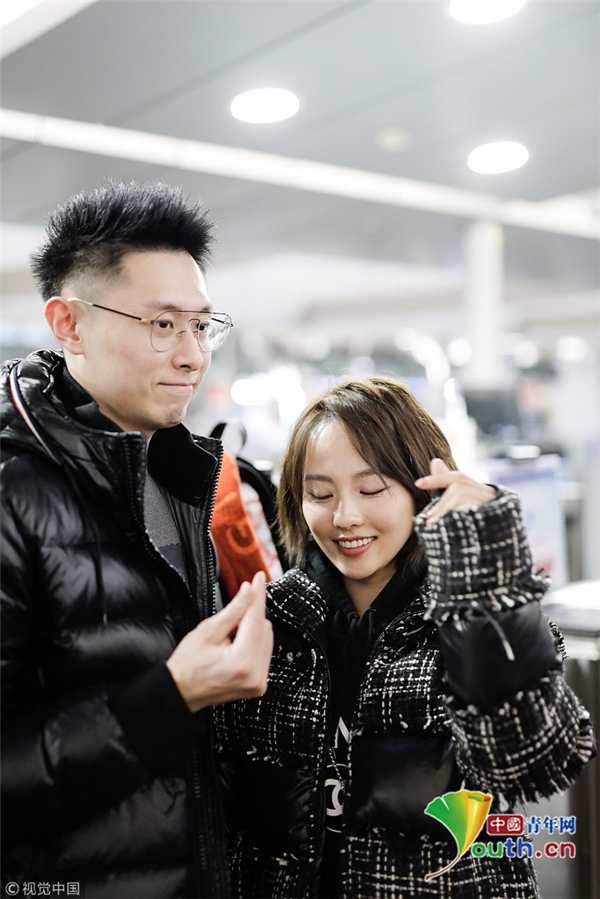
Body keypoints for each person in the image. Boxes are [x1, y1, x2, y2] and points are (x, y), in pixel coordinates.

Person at [214, 375, 595, 899]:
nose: (345, 517)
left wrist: (486, 576)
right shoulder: (265, 620)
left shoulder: (469, 619)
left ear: (424, 489)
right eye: (320, 494)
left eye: (372, 489)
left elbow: (534, 764)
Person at [1, 180, 273, 898]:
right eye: (162, 325)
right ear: (69, 324)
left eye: (202, 327)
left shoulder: (189, 475)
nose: (192, 356)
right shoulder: (13, 494)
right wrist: (170, 698)